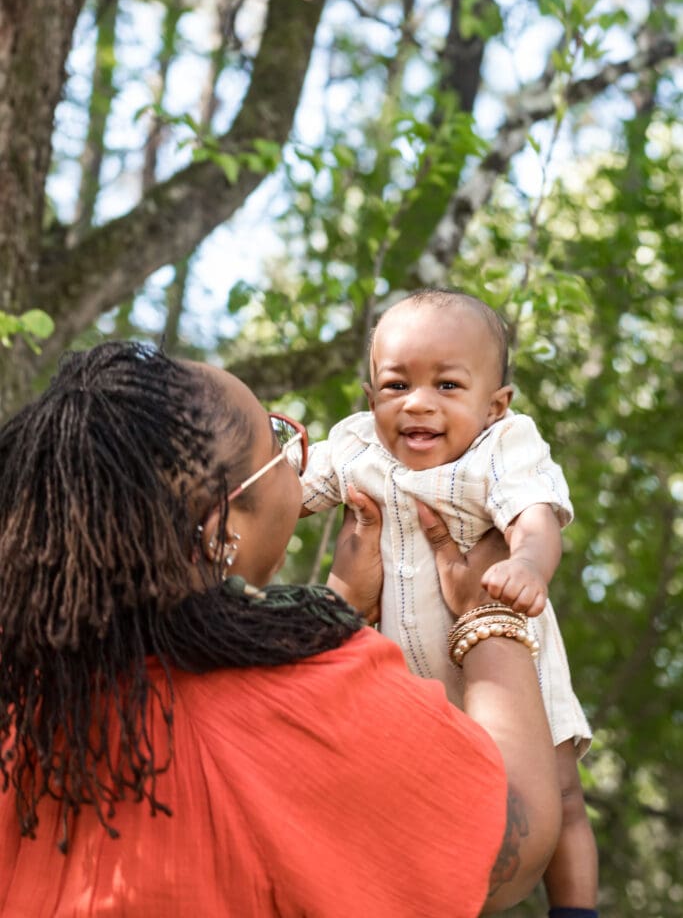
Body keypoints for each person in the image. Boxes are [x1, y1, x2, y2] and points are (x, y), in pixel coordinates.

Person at [0, 339, 560, 917]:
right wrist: (487, 614)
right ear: (220, 530)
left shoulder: (29, 699)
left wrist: (337, 607)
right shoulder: (300, 699)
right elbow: (512, 838)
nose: (299, 457)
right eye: (277, 444)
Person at [301, 288, 599, 918]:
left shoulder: (504, 447)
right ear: (369, 395)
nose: (417, 403)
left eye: (446, 386)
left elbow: (534, 517)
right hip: (410, 683)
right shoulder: (359, 446)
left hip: (511, 658)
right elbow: (289, 487)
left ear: (494, 406)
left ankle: (576, 910)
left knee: (564, 798)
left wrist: (524, 564)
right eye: (394, 385)